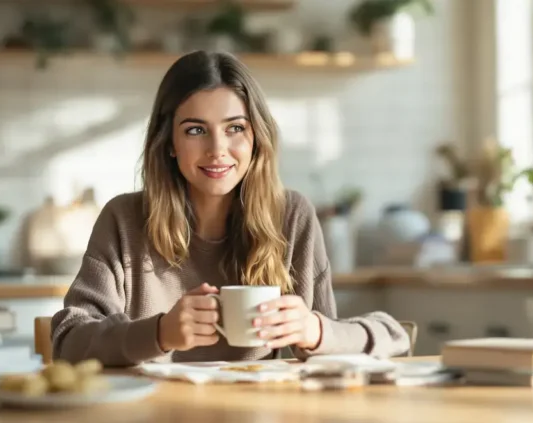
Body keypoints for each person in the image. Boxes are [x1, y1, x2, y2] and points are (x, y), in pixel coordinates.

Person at [51, 50, 410, 366]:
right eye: (195, 131)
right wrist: (159, 333)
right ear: (170, 142)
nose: (217, 149)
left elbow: (380, 341)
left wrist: (314, 331)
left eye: (235, 128)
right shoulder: (124, 220)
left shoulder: (291, 216)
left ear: (256, 138)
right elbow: (68, 340)